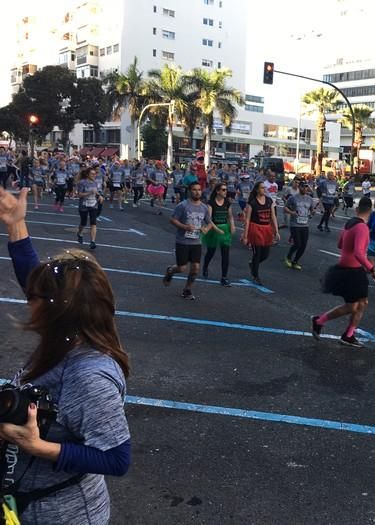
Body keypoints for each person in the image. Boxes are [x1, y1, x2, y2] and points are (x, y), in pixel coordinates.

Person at [0, 187, 131, 524]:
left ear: (57, 310)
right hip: (24, 503)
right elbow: (34, 277)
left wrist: (38, 447)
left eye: (35, 296)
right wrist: (16, 225)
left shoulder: (89, 376)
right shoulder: (65, 336)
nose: (28, 298)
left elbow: (117, 458)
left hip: (64, 514)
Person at [311, 197, 375, 348]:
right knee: (362, 303)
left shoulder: (350, 224)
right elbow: (359, 253)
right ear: (370, 211)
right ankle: (347, 335)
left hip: (344, 269)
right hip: (354, 271)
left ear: (357, 209)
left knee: (353, 306)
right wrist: (373, 270)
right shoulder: (362, 228)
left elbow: (340, 244)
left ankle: (320, 321)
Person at [163, 182, 217, 300]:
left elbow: (209, 222)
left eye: (199, 189)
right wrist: (184, 227)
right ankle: (171, 270)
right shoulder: (183, 205)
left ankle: (187, 289)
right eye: (194, 190)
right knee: (182, 268)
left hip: (196, 242)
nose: (197, 192)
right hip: (183, 241)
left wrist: (206, 229)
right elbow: (172, 220)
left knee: (195, 268)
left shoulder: (204, 207)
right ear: (189, 191)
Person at [242, 181, 280, 285]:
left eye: (264, 187)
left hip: (266, 229)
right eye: (262, 188)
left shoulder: (269, 201)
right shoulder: (252, 203)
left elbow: (273, 217)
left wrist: (276, 231)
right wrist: (245, 236)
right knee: (257, 253)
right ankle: (255, 275)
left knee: (265, 254)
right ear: (257, 190)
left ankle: (253, 264)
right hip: (255, 229)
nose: (265, 189)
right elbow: (248, 220)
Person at [201, 182, 236, 286]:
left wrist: (232, 226)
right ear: (217, 191)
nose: (226, 192)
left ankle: (224, 277)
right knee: (211, 252)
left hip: (224, 228)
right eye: (223, 190)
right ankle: (205, 266)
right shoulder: (211, 203)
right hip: (214, 228)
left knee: (225, 254)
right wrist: (216, 229)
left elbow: (230, 216)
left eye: (226, 190)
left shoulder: (227, 202)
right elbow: (209, 219)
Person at [284, 181, 314, 270]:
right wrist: (291, 212)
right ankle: (288, 257)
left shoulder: (310, 199)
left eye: (306, 187)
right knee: (297, 244)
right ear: (299, 188)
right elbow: (285, 207)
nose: (305, 189)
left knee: (304, 245)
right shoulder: (293, 198)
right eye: (303, 187)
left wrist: (312, 212)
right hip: (295, 224)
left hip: (305, 225)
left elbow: (311, 210)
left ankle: (295, 261)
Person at [76, 167, 103, 250]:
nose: (94, 175)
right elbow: (79, 195)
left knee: (93, 223)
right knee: (83, 222)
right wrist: (89, 193)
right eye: (92, 174)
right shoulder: (82, 182)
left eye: (95, 174)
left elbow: (96, 192)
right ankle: (79, 233)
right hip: (84, 205)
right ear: (87, 174)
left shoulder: (95, 182)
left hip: (93, 204)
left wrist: (100, 196)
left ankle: (92, 241)